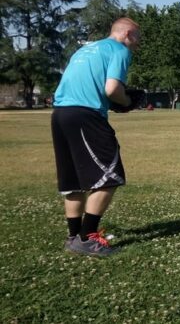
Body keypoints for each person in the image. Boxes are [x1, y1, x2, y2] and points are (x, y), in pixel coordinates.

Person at [51, 17, 141, 256]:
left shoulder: (85, 49)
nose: (136, 45)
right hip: (86, 115)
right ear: (128, 34)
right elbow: (112, 89)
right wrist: (128, 101)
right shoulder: (120, 50)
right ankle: (88, 237)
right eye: (137, 40)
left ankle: (73, 237)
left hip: (60, 114)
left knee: (73, 182)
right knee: (110, 177)